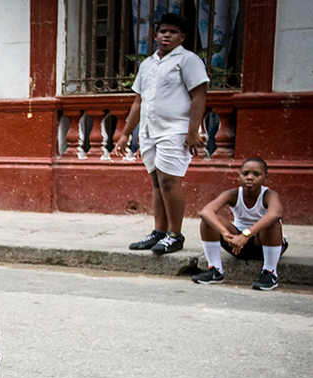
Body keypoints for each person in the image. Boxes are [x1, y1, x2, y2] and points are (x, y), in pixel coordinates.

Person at [114, 12, 209, 255]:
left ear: (182, 37)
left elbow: (199, 95)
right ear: (155, 35)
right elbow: (138, 101)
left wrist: (192, 131)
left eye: (173, 32)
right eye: (163, 31)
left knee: (170, 180)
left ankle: (175, 235)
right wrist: (125, 135)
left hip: (176, 130)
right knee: (157, 181)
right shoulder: (147, 65)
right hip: (149, 131)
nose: (167, 35)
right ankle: (159, 231)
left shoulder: (188, 60)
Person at [193, 157, 287, 290]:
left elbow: (275, 213)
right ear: (238, 176)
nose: (250, 177)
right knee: (209, 221)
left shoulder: (269, 195)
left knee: (271, 222)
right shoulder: (233, 194)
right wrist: (225, 234)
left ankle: (270, 272)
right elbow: (205, 211)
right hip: (236, 243)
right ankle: (215, 270)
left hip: (263, 243)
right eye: (245, 173)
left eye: (256, 174)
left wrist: (246, 235)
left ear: (266, 177)